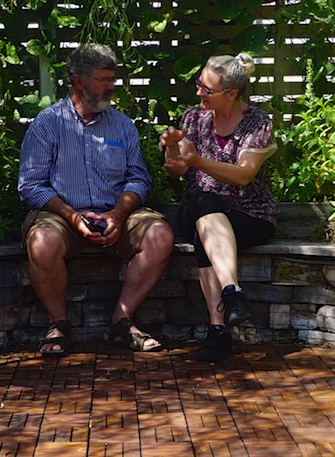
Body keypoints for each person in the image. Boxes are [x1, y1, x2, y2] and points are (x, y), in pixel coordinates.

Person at [18, 43, 175, 357]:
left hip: (115, 213)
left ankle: (122, 320)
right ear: (79, 81)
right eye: (103, 79)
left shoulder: (123, 125)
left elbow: (138, 179)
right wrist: (72, 216)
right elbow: (31, 186)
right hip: (61, 215)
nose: (111, 86)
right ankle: (58, 324)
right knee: (41, 242)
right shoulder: (48, 124)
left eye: (112, 79)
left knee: (160, 234)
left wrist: (118, 213)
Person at [160, 53, 278, 362]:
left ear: (231, 93)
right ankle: (232, 292)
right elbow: (177, 171)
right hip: (200, 205)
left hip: (250, 213)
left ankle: (218, 332)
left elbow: (244, 175)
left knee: (204, 234)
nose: (199, 92)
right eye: (198, 84)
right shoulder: (192, 118)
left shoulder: (258, 122)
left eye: (207, 89)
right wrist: (172, 147)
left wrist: (198, 161)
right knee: (204, 203)